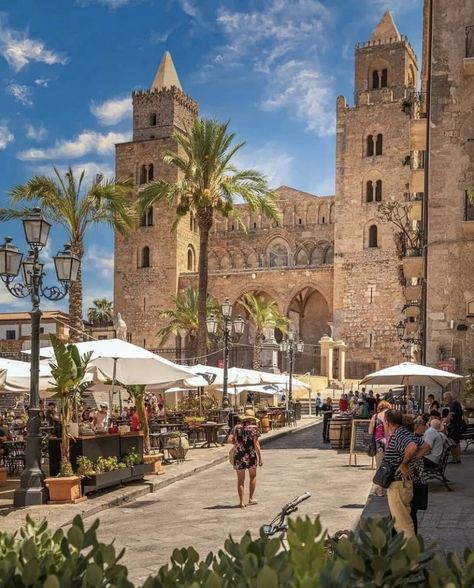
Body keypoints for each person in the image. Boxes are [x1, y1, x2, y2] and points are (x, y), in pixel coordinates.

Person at [383, 409, 420, 539]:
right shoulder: (403, 433)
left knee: (403, 525)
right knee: (401, 522)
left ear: (387, 422)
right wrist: (412, 460)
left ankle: (411, 557)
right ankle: (406, 554)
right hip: (401, 484)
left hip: (399, 484)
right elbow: (425, 445)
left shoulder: (399, 434)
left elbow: (412, 447)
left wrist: (404, 464)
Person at [228, 409, 262, 508]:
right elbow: (256, 444)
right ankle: (251, 498)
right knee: (253, 476)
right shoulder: (254, 429)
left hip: (239, 455)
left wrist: (238, 444)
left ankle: (241, 502)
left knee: (240, 480)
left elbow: (229, 440)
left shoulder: (236, 428)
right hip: (251, 456)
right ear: (252, 419)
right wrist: (260, 458)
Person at [368, 400, 392, 496]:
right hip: (391, 444)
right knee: (390, 467)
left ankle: (380, 490)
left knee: (379, 467)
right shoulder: (392, 416)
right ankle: (388, 489)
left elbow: (370, 431)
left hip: (379, 446)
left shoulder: (376, 416)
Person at [443, 392, 464, 464]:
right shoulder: (455, 403)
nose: (445, 399)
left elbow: (451, 416)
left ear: (450, 398)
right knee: (456, 442)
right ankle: (457, 459)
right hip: (458, 425)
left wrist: (444, 423)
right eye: (445, 398)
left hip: (455, 426)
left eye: (446, 398)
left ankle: (455, 459)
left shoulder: (453, 404)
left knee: (452, 442)